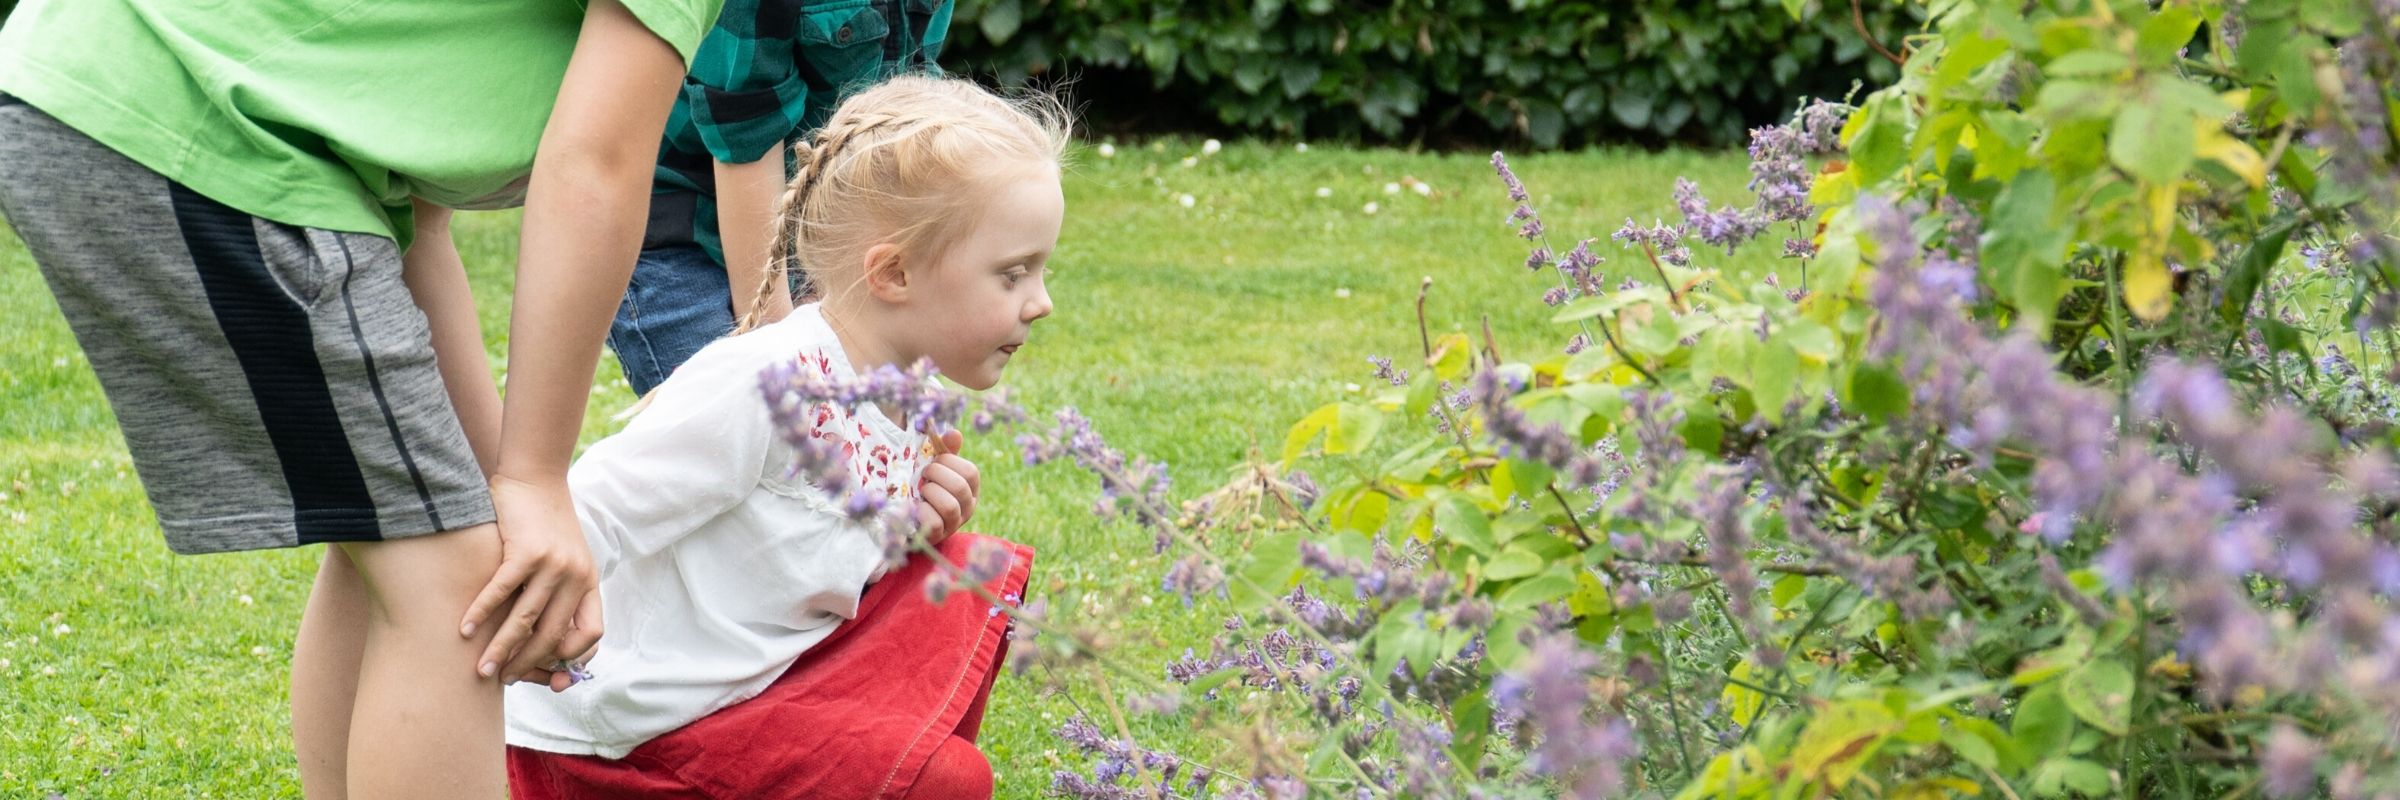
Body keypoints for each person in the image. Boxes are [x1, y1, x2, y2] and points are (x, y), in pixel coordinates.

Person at [0, 0, 720, 796]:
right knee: (455, 597)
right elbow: (596, 162)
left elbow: (418, 222)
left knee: (430, 551)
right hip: (194, 113)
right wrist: (535, 480)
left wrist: (501, 486)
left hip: (114, 72)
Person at [502, 74, 1068, 799]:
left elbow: (805, 549)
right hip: (646, 734)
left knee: (966, 579)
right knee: (944, 781)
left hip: (769, 674)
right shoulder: (766, 385)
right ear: (894, 273)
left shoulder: (906, 387)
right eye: (1013, 274)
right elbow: (590, 507)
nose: (1041, 302)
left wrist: (908, 526)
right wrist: (541, 636)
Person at [611, 0, 956, 396]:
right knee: (749, 416)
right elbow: (745, 136)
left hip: (810, 221)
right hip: (678, 233)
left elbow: (901, 107)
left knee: (886, 425)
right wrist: (785, 351)